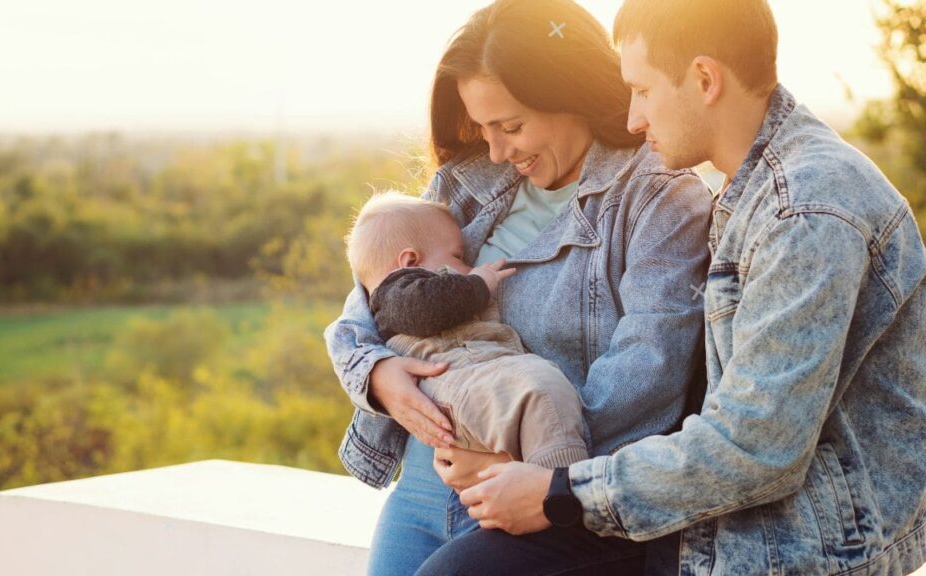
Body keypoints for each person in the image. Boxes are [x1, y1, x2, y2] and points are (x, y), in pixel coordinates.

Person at [415, 1, 926, 575]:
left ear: (705, 79)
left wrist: (560, 489)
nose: (631, 118)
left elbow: (758, 446)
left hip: (792, 537)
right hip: (709, 503)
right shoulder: (759, 185)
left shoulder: (803, 211)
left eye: (643, 91)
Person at [324, 0, 712, 574]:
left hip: (533, 504)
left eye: (511, 126)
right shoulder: (463, 182)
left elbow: (648, 375)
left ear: (573, 92)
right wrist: (375, 374)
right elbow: (375, 290)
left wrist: (530, 466)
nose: (498, 149)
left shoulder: (658, 200)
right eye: (483, 128)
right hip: (423, 483)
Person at [344, 190, 590, 468]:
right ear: (410, 262)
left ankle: (547, 482)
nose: (469, 266)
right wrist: (479, 284)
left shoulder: (407, 291)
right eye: (458, 256)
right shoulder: (395, 294)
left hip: (472, 376)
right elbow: (426, 309)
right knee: (539, 393)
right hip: (450, 379)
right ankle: (558, 490)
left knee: (545, 391)